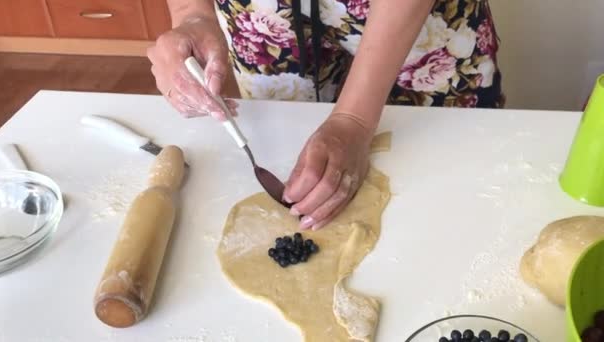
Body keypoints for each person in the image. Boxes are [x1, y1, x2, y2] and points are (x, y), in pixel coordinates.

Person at [148, 0, 504, 230]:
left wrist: (355, 119)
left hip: (415, 24)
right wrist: (192, 14)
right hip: (265, 23)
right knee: (298, 157)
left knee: (448, 195)